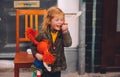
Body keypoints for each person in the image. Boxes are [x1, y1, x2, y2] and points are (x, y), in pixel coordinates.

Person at [31, 6, 72, 77]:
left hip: (57, 65)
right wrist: (36, 54)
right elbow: (33, 45)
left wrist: (65, 31)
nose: (60, 22)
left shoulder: (62, 33)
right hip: (44, 66)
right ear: (49, 21)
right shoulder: (42, 33)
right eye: (57, 20)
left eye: (62, 20)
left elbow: (68, 44)